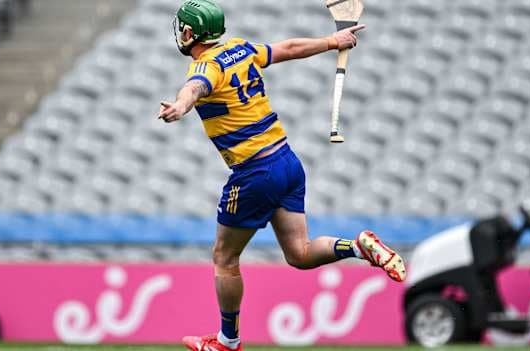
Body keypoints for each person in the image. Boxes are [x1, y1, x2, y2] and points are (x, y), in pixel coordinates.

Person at [158, 1, 406, 350]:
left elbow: (195, 88)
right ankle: (358, 247)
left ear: (188, 32)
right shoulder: (240, 49)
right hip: (288, 161)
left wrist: (181, 106)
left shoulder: (205, 67)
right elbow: (287, 48)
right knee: (300, 254)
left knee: (224, 258)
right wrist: (333, 41)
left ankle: (228, 342)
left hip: (255, 171)